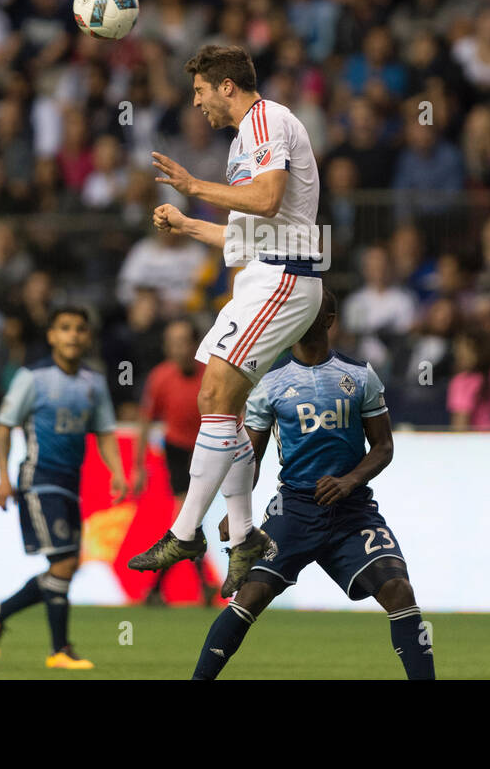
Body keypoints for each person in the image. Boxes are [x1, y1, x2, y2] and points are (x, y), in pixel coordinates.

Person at [126, 45, 323, 598]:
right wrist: (188, 225)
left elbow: (266, 198)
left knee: (214, 393)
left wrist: (194, 187)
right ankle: (243, 538)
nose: (197, 104)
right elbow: (246, 235)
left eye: (200, 93)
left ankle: (186, 531)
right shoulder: (245, 139)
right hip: (262, 272)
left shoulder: (268, 119)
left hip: (285, 276)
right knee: (218, 405)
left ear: (226, 87)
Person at [192, 290, 434, 680]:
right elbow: (249, 458)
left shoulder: (360, 375)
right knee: (248, 598)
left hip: (352, 511)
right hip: (294, 511)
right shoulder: (268, 384)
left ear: (330, 318)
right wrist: (237, 511)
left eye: (310, 308)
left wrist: (350, 480)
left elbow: (384, 446)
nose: (300, 313)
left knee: (400, 592)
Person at [0, 307, 128, 670]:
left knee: (65, 566)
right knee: (63, 562)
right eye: (64, 328)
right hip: (39, 479)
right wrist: (2, 477)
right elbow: (4, 424)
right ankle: (58, 649)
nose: (73, 335)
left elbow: (104, 431)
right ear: (51, 336)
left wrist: (117, 472)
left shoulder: (93, 382)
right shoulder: (33, 378)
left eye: (79, 329)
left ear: (87, 337)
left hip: (70, 484)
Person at [132, 318, 212, 605]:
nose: (178, 348)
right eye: (173, 342)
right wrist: (138, 466)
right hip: (177, 452)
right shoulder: (160, 378)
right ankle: (195, 587)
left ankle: (158, 589)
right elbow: (145, 421)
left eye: (183, 342)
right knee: (186, 518)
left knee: (188, 520)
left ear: (194, 344)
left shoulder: (210, 375)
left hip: (208, 451)